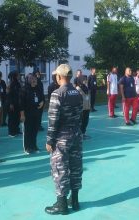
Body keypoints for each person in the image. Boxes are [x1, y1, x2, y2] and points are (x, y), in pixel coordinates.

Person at [45, 64, 83, 215]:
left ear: (59, 77)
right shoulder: (77, 93)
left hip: (61, 137)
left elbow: (53, 120)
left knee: (60, 169)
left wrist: (49, 140)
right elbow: (80, 115)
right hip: (76, 134)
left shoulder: (57, 94)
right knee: (75, 167)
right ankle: (74, 201)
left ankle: (61, 205)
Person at [19, 74, 44, 154]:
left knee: (35, 130)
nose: (34, 80)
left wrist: (42, 102)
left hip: (36, 113)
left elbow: (42, 98)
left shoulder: (38, 88)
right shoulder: (24, 89)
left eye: (35, 79)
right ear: (27, 80)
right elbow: (21, 104)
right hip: (27, 113)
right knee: (27, 131)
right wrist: (22, 115)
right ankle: (27, 147)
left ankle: (34, 146)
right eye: (31, 79)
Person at [7, 70, 21, 137]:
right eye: (18, 75)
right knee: (12, 117)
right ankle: (11, 131)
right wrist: (11, 104)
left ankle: (16, 130)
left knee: (17, 117)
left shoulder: (17, 83)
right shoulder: (11, 84)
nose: (19, 76)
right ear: (14, 76)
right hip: (12, 104)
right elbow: (9, 95)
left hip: (17, 103)